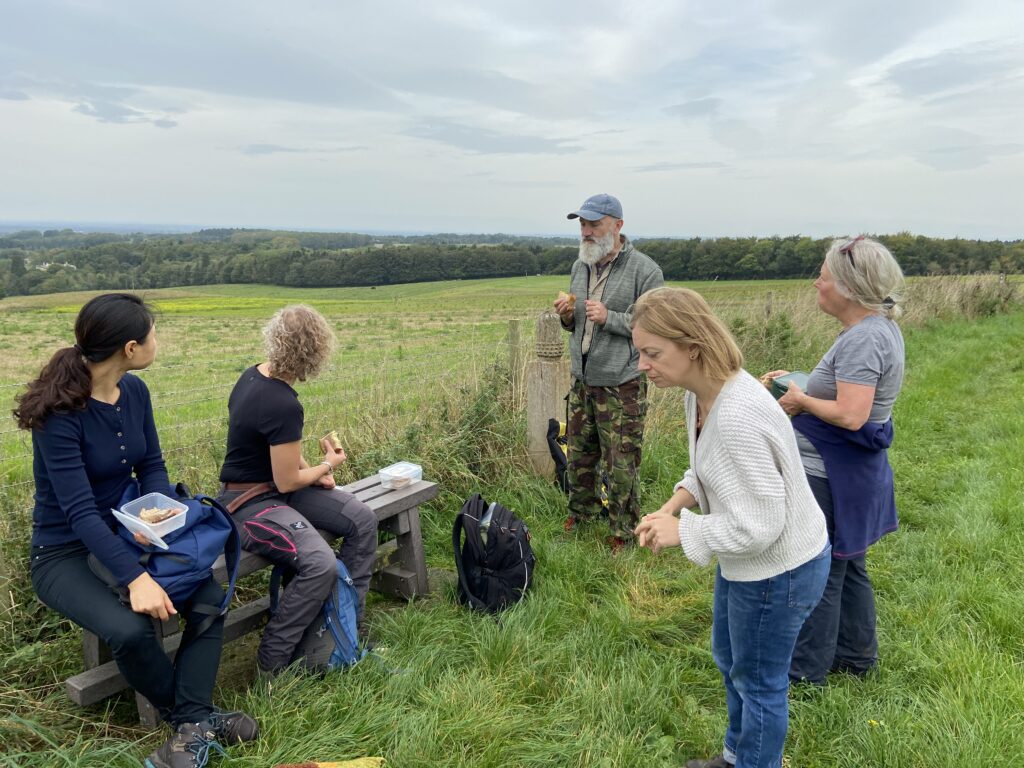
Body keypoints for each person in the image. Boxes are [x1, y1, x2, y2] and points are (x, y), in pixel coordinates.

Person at [16, 293, 257, 768]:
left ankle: (191, 725)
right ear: (130, 348)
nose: (156, 341)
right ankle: (194, 720)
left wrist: (155, 516)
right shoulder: (60, 415)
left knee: (208, 594)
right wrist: (137, 578)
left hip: (130, 532)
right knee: (129, 630)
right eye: (152, 334)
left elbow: (151, 465)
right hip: (64, 552)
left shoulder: (135, 392)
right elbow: (80, 514)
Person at [631, 287, 830, 768]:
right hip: (749, 562)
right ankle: (736, 756)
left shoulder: (738, 414)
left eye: (652, 353)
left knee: (759, 683)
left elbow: (761, 525)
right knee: (730, 659)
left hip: (779, 569)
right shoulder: (701, 395)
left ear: (692, 347)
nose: (642, 365)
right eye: (640, 353)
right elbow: (708, 468)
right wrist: (674, 505)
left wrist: (686, 532)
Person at [764, 235, 906, 685]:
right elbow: (850, 393)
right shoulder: (874, 329)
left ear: (848, 286)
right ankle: (856, 658)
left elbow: (851, 414)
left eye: (823, 277)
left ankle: (806, 673)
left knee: (819, 566)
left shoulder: (864, 339)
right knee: (849, 563)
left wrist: (801, 400)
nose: (816, 284)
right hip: (850, 472)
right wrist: (799, 383)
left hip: (832, 475)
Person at [217, 304, 378, 676]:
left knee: (362, 519)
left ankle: (346, 628)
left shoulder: (253, 375)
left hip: (275, 489)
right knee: (320, 564)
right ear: (315, 352)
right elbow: (287, 481)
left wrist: (312, 473)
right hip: (248, 503)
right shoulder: (282, 403)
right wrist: (328, 465)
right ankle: (272, 662)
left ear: (275, 339)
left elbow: (281, 453)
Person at [553, 193, 664, 550]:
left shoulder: (645, 270)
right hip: (583, 380)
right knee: (579, 455)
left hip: (621, 383)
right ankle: (582, 514)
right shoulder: (580, 266)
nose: (586, 231)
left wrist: (610, 318)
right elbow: (577, 324)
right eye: (583, 225)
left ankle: (623, 533)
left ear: (617, 226)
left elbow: (656, 324)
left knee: (620, 463)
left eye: (594, 224)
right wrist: (566, 317)